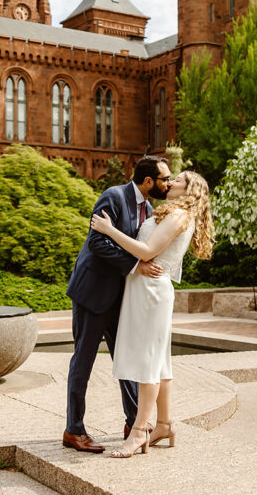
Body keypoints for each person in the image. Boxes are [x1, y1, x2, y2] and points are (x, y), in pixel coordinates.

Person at [90, 170, 213, 458]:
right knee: (159, 363)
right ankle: (165, 424)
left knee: (148, 363)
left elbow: (146, 252)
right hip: (148, 289)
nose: (170, 183)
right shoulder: (176, 213)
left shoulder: (179, 216)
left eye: (177, 180)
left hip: (150, 292)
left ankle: (138, 432)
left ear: (189, 190)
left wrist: (109, 230)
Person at [63, 156, 172, 453]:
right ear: (148, 181)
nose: (169, 184)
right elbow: (98, 243)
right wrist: (136, 267)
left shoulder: (149, 208)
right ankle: (74, 431)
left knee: (127, 360)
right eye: (165, 179)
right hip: (93, 292)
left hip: (121, 298)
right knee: (83, 362)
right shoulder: (113, 196)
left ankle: (133, 422)